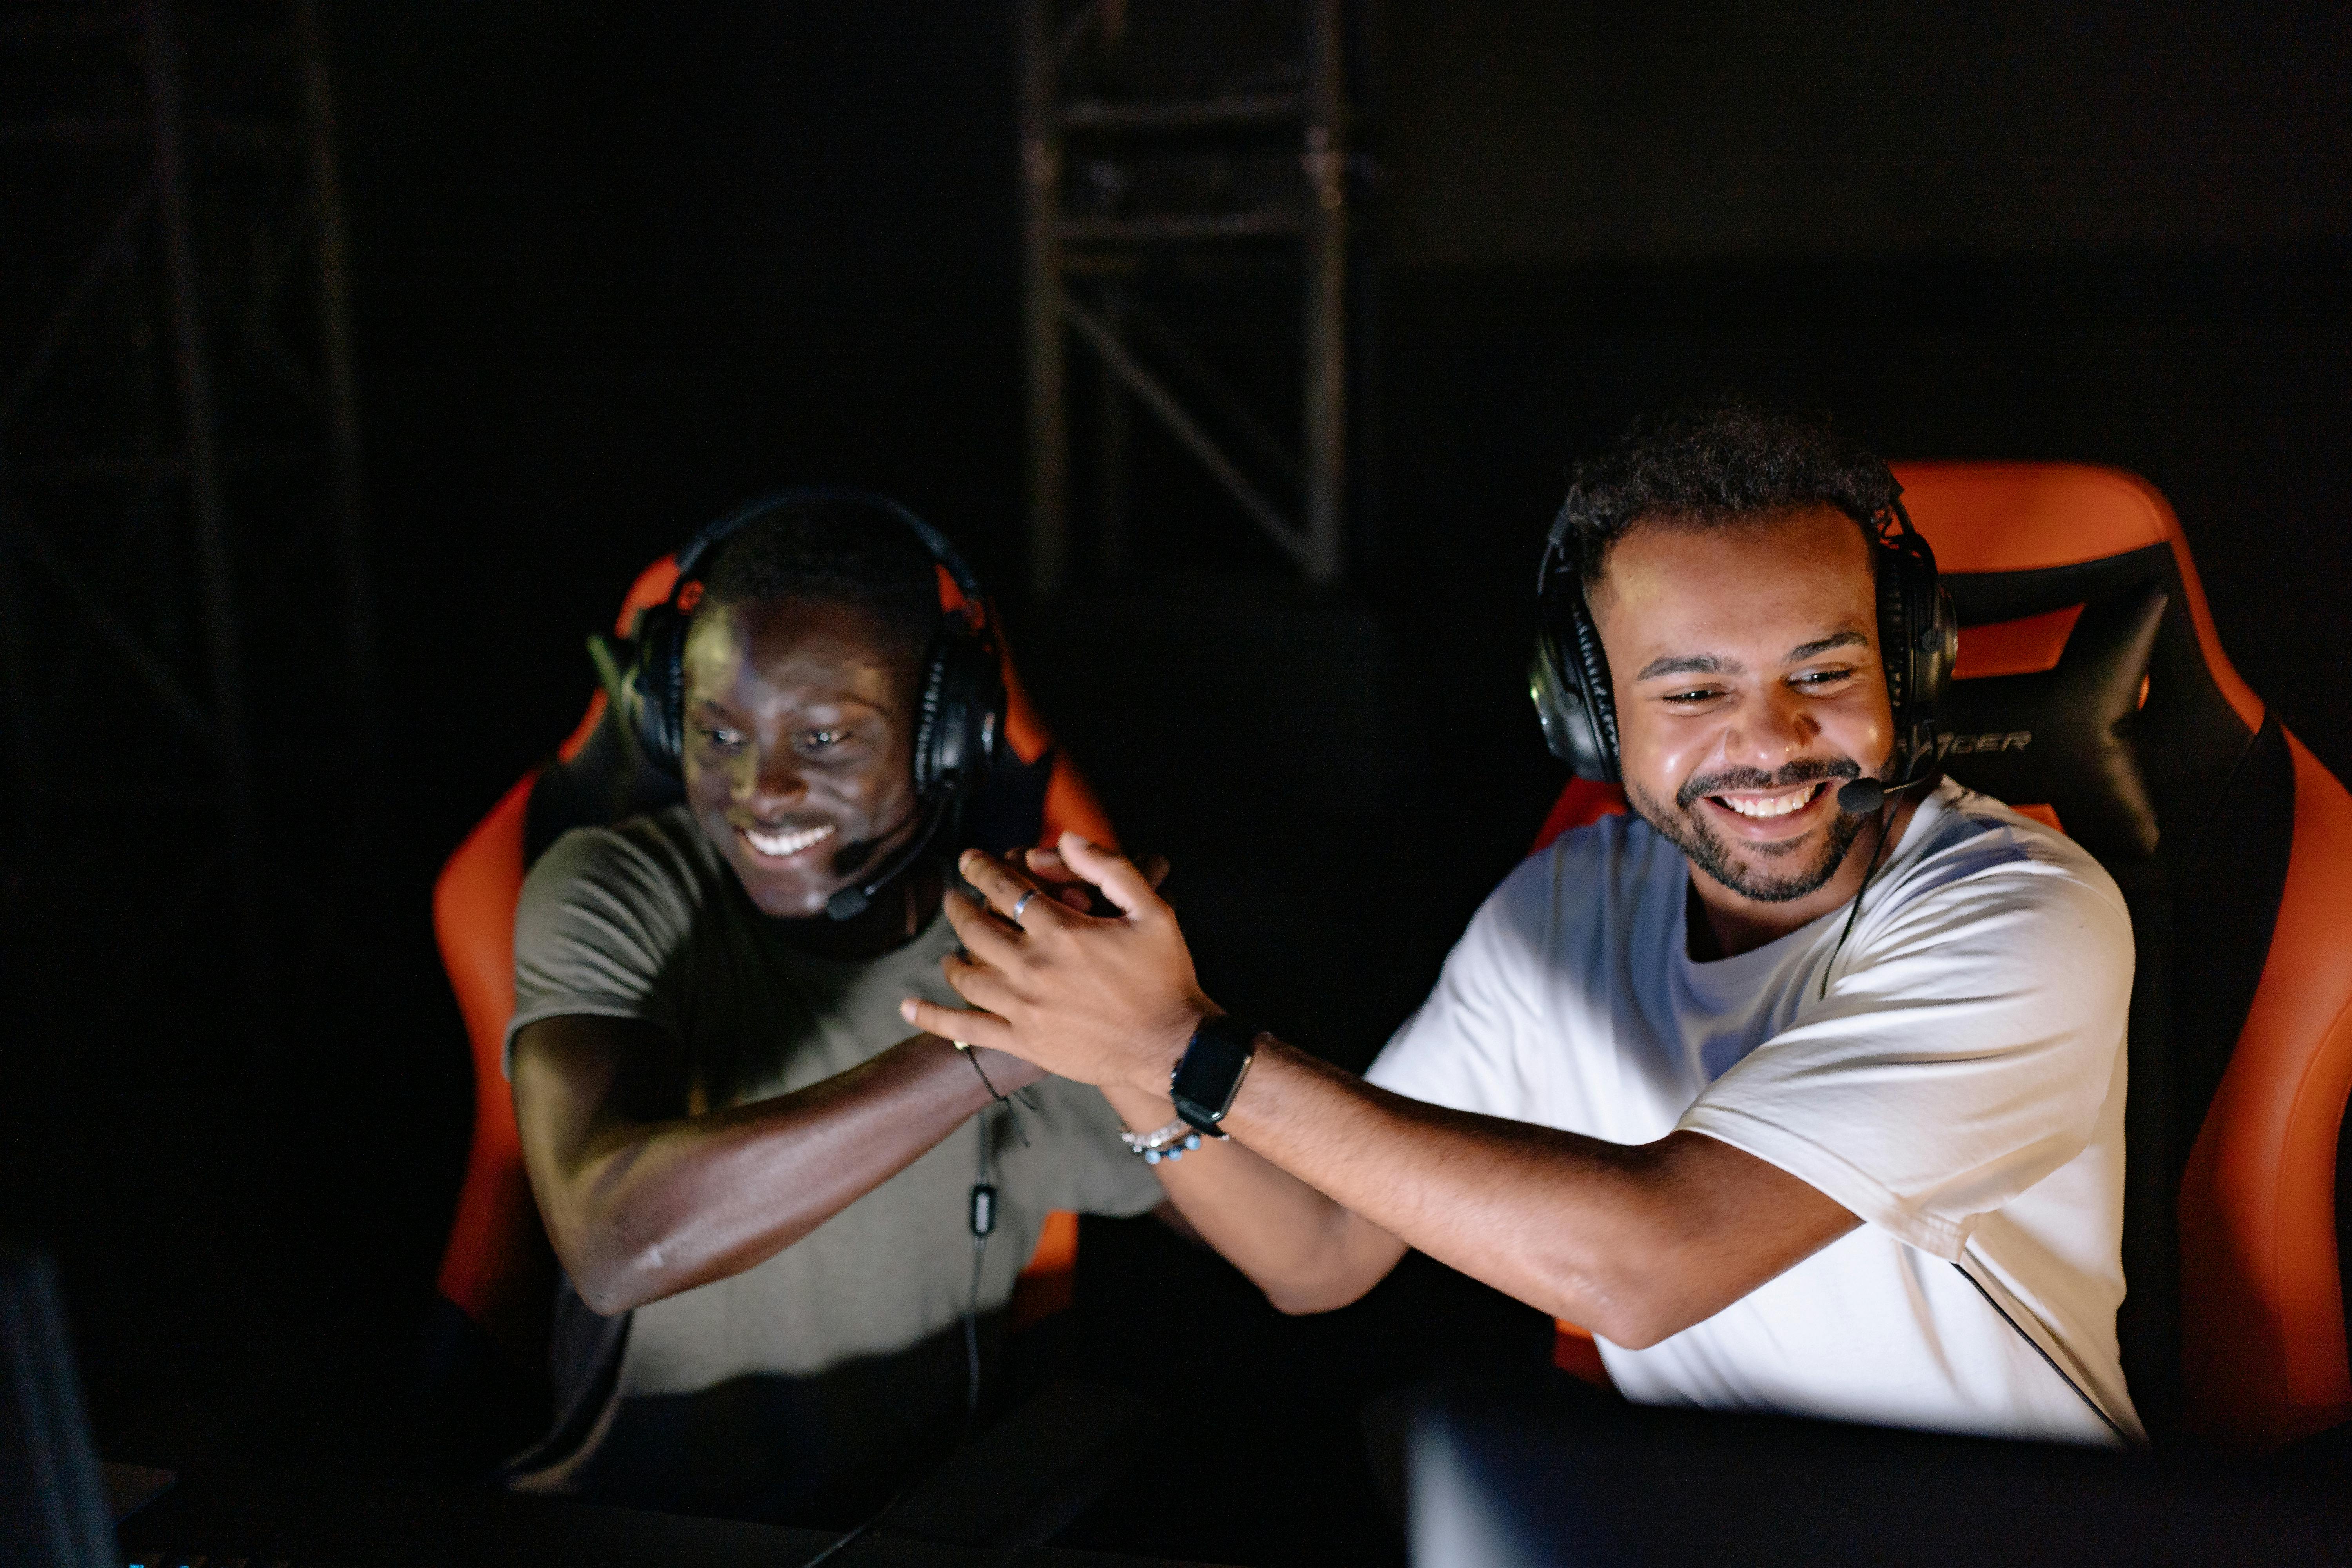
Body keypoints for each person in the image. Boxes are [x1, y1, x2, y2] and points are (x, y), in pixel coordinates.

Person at [905, 404, 2144, 1447]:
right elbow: (1318, 1257)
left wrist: (1186, 1049)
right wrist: (1127, 1056)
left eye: (1823, 673)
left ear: (1906, 671)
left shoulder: (2026, 917)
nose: (1769, 742)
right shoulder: (1569, 905)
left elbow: (1646, 1268)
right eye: (1696, 690)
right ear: (1594, 722)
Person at [499, 494, 1165, 1521]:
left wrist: (1156, 1028)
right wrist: (993, 1050)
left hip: (920, 1530)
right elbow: (615, 1244)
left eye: (824, 740)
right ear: (667, 713)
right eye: (716, 732)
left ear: (944, 735)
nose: (758, 789)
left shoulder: (1023, 950)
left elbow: (1309, 1261)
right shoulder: (615, 887)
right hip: (633, 1529)